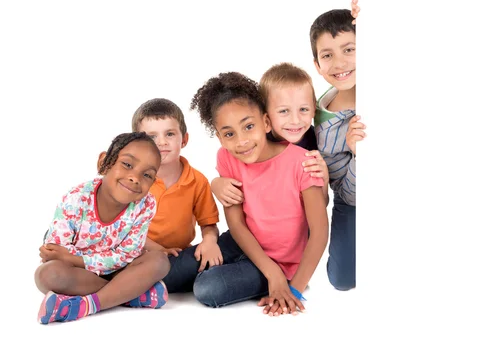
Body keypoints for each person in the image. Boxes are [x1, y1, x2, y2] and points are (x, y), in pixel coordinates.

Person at [189, 72, 329, 316]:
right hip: (242, 242)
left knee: (207, 288)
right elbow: (235, 223)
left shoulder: (304, 162)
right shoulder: (226, 157)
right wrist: (270, 273)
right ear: (219, 137)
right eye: (229, 134)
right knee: (175, 270)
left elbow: (319, 232)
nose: (241, 141)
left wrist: (292, 289)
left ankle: (252, 272)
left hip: (283, 260)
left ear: (265, 123)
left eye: (249, 126)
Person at [34, 132, 170, 324]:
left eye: (147, 175)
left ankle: (87, 305)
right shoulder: (76, 199)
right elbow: (55, 250)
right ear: (104, 162)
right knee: (47, 275)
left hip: (119, 270)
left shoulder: (145, 205)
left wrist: (74, 258)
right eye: (127, 164)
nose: (135, 178)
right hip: (81, 274)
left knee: (159, 262)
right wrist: (73, 261)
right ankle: (129, 294)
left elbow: (127, 255)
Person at [131, 98, 222, 293]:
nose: (162, 142)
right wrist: (157, 250)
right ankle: (135, 287)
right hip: (136, 253)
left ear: (184, 139)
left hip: (178, 255)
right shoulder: (133, 180)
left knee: (200, 262)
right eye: (152, 137)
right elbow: (125, 228)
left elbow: (209, 224)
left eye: (170, 134)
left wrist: (209, 241)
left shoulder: (197, 180)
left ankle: (145, 288)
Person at [210, 62, 329, 207]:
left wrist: (324, 177)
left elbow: (322, 204)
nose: (295, 120)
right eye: (284, 111)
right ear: (265, 115)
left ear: (314, 109)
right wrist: (216, 183)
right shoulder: (257, 141)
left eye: (303, 109)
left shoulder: (316, 143)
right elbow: (236, 169)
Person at [310, 0, 366, 291]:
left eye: (349, 50)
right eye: (328, 55)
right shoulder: (325, 128)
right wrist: (358, 155)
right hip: (353, 198)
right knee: (344, 280)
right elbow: (348, 194)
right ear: (318, 65)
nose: (340, 62)